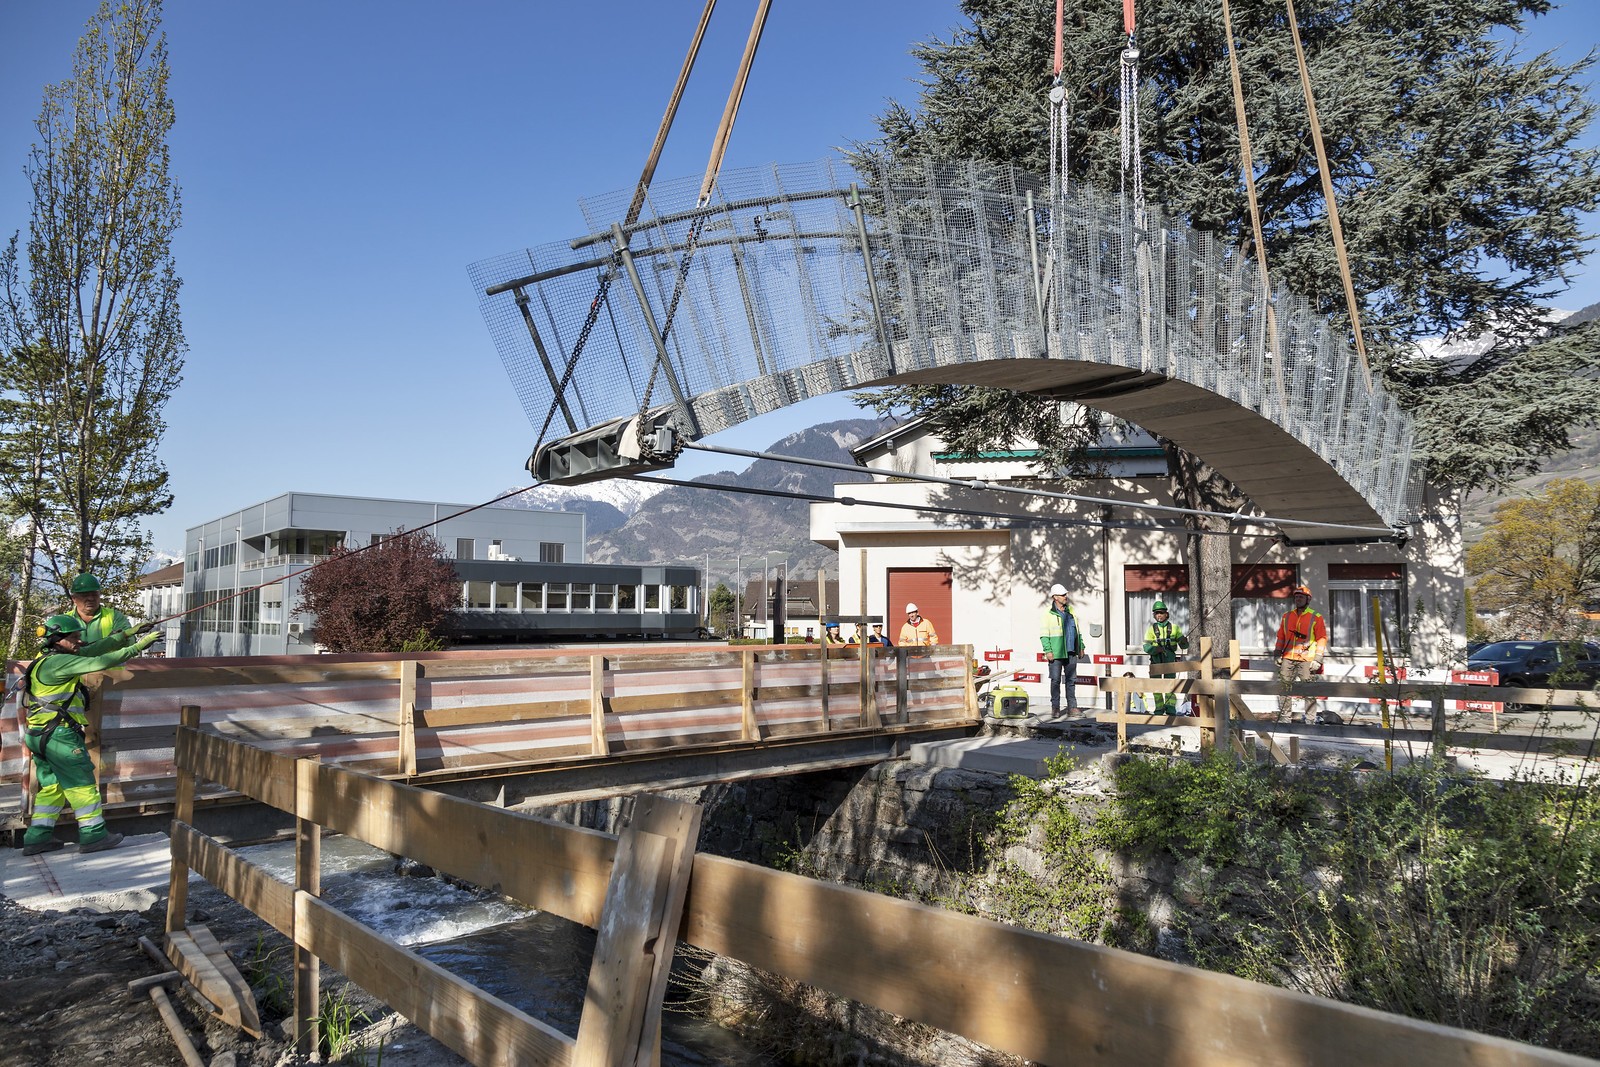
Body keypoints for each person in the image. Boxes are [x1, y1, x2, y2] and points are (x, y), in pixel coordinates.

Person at [19, 613, 160, 856]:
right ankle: (93, 835)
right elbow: (100, 662)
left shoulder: (47, 659)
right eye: (73, 638)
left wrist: (127, 634)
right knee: (82, 785)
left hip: (40, 735)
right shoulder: (60, 663)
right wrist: (137, 647)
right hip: (59, 736)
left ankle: (37, 837)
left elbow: (95, 649)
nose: (79, 642)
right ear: (57, 639)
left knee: (52, 787)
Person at [1273, 584, 1327, 722]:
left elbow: (1322, 639)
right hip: (1288, 658)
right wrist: (1277, 653)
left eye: (1301, 597)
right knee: (1284, 688)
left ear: (1308, 599)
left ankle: (1310, 720)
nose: (1298, 599)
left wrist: (1318, 659)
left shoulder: (1316, 617)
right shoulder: (1287, 616)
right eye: (1296, 597)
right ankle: (1285, 719)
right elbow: (1281, 636)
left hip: (1307, 659)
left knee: (1309, 690)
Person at [1038, 583, 1084, 717]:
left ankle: (1072, 708)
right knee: (1055, 680)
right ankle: (1055, 708)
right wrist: (1048, 651)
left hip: (1070, 651)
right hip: (1056, 652)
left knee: (1071, 681)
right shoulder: (1047, 614)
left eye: (1065, 594)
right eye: (1063, 595)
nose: (1066, 597)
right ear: (1055, 597)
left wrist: (1081, 646)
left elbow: (1078, 631)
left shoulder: (1071, 611)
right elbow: (1044, 635)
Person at [67, 573, 133, 657]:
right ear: (74, 598)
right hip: (76, 670)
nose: (91, 598)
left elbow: (131, 641)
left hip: (110, 669)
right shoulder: (65, 621)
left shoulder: (114, 616)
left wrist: (122, 639)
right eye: (85, 595)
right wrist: (109, 642)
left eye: (94, 594)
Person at [1142, 600, 1189, 715]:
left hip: (1170, 661)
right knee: (1156, 685)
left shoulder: (1175, 628)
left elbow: (1184, 645)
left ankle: (1170, 708)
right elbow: (1146, 646)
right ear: (1154, 615)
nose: (1159, 615)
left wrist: (1184, 641)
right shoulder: (1151, 629)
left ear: (1166, 614)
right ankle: (1159, 708)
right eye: (1157, 613)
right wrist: (1155, 650)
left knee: (1170, 684)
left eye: (1161, 613)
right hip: (1156, 661)